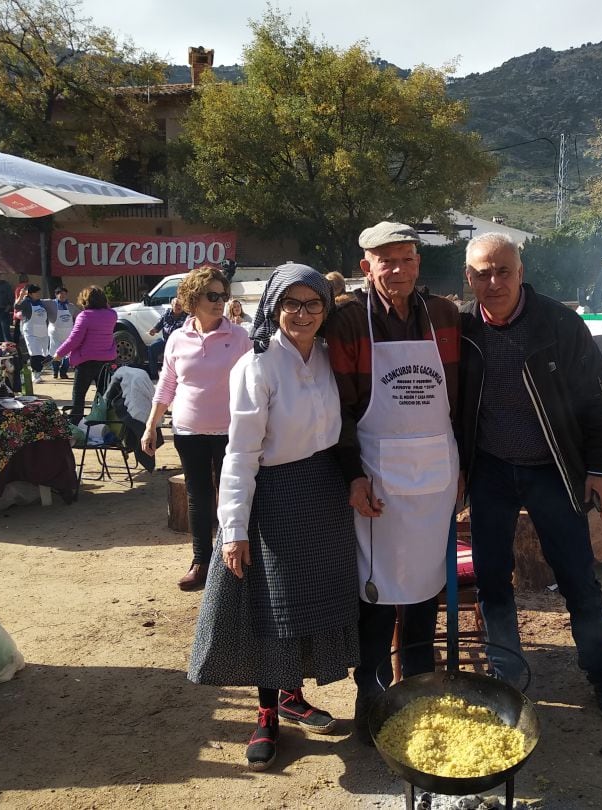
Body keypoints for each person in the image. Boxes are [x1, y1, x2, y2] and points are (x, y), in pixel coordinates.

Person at [189, 263, 359, 770]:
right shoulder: (256, 367)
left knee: (310, 602)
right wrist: (233, 530)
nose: (302, 314)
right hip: (275, 497)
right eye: (291, 303)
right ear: (273, 307)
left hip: (324, 493)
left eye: (312, 304)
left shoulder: (332, 359)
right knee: (273, 608)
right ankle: (266, 712)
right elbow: (240, 455)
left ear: (326, 309)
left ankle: (291, 693)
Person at [457, 232, 602, 720]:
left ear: (521, 272)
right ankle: (508, 674)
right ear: (468, 278)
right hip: (490, 468)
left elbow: (598, 400)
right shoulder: (462, 327)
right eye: (482, 273)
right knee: (491, 576)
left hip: (553, 468)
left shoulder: (559, 324)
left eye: (503, 271)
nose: (494, 282)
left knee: (576, 575)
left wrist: (599, 469)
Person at [324, 222, 461, 745]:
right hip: (377, 474)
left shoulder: (444, 316)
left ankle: (420, 691)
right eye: (387, 261)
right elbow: (339, 408)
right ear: (367, 267)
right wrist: (353, 475)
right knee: (376, 593)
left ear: (418, 263)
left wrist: (462, 466)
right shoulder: (347, 322)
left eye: (406, 260)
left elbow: (461, 396)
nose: (398, 270)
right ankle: (374, 697)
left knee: (427, 589)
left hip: (436, 477)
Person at [141, 266, 250, 591]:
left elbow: (255, 384)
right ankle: (201, 562)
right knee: (198, 496)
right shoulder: (177, 337)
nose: (220, 302)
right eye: (212, 296)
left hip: (232, 430)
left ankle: (237, 561)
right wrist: (151, 424)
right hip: (188, 431)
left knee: (234, 495)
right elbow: (167, 384)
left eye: (223, 295)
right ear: (193, 298)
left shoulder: (239, 336)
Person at [52, 286, 117, 425]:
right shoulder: (112, 315)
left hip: (86, 361)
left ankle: (76, 421)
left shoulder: (85, 316)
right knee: (102, 394)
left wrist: (59, 354)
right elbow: (108, 307)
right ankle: (100, 420)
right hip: (106, 360)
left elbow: (74, 340)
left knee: (79, 394)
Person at [16, 284, 52, 384]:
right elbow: (16, 306)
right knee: (35, 352)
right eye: (36, 293)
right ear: (30, 294)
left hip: (42, 330)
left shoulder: (40, 302)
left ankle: (38, 371)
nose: (38, 294)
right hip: (31, 331)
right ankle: (35, 373)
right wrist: (21, 296)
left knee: (43, 353)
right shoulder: (26, 302)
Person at [147, 297, 186, 373]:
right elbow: (159, 325)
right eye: (176, 304)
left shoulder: (187, 316)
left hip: (179, 344)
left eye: (181, 305)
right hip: (166, 341)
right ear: (172, 305)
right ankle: (153, 374)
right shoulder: (166, 314)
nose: (179, 307)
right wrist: (154, 330)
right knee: (152, 348)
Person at [48, 286, 76, 379]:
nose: (63, 296)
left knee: (69, 352)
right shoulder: (51, 305)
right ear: (56, 295)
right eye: (61, 294)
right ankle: (55, 371)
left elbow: (80, 314)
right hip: (55, 333)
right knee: (55, 352)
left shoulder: (71, 306)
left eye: (65, 294)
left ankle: (64, 372)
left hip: (68, 333)